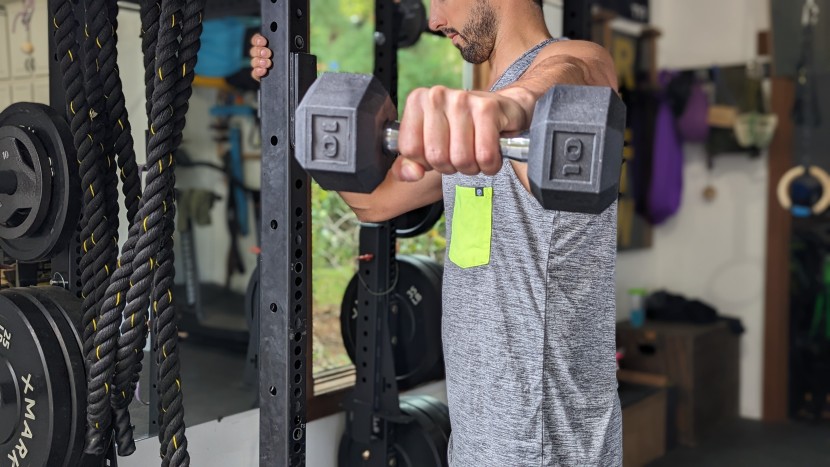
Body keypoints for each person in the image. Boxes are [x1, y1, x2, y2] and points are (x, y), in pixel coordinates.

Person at [250, 0, 621, 465]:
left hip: (549, 442)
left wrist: (512, 104)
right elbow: (374, 201)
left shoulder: (576, 73)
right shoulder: (476, 130)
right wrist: (291, 101)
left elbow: (572, 73)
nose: (434, 20)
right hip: (479, 436)